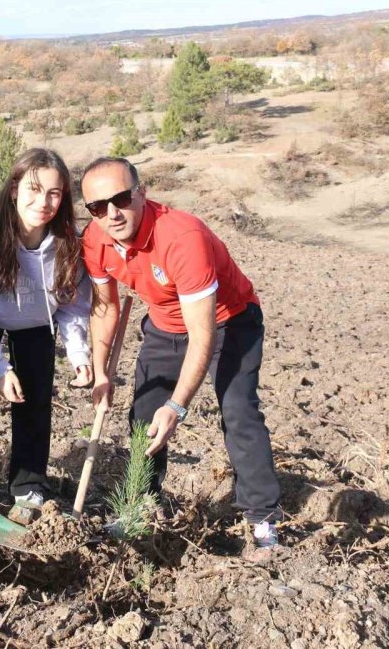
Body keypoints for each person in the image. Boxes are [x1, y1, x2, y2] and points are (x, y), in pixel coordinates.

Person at [80, 157, 283, 550]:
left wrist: (177, 407)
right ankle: (141, 505)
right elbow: (105, 307)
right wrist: (101, 370)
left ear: (141, 193)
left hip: (228, 321)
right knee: (143, 415)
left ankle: (262, 519)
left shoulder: (180, 237)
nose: (111, 213)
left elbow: (203, 335)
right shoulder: (95, 239)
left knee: (238, 410)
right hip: (164, 323)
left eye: (120, 198)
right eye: (97, 207)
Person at [0, 148, 92, 509]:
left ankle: (28, 483)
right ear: (14, 189)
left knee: (34, 400)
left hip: (35, 321)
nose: (43, 201)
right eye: (33, 189)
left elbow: (73, 304)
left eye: (54, 193)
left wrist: (78, 352)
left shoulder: (69, 243)